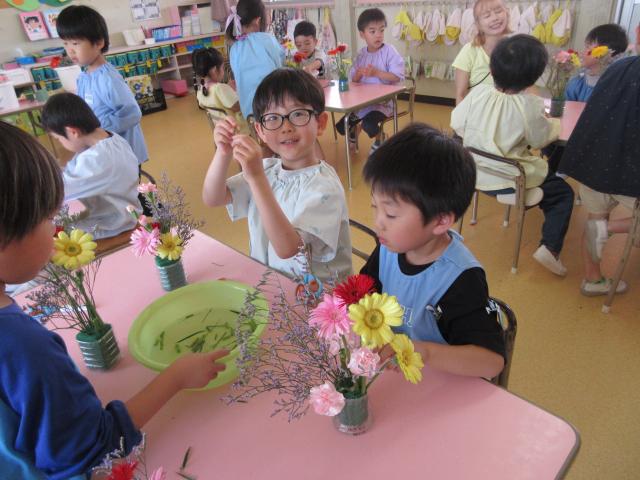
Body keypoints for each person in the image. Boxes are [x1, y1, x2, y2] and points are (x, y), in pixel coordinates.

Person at [0, 120, 228, 479]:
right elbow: (94, 451)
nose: (56, 229)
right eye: (47, 218)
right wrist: (176, 377)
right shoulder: (25, 349)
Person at [360, 123, 505, 378]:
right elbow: (362, 295)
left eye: (391, 214)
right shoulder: (388, 248)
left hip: (438, 381)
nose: (378, 222)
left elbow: (491, 362)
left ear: (440, 221)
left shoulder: (460, 278)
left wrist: (424, 352)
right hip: (395, 377)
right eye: (375, 207)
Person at [202, 68, 352, 282]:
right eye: (273, 118)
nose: (286, 127)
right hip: (272, 284)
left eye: (298, 114)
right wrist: (223, 152)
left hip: (316, 297)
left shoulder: (324, 187)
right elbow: (213, 197)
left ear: (320, 123)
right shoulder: (267, 169)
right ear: (260, 131)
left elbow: (288, 248)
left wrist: (256, 178)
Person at [451, 35, 574, 276]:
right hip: (509, 180)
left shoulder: (478, 93)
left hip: (473, 172)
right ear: (533, 79)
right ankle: (550, 248)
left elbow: (457, 122)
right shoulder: (529, 106)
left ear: (491, 69)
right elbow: (540, 139)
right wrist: (555, 125)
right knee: (563, 194)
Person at [559, 55, 640, 296]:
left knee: (596, 218)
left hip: (596, 160)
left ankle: (592, 279)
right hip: (632, 170)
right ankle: (611, 227)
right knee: (603, 225)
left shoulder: (620, 66)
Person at [56, 5, 149, 167]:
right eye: (65, 43)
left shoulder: (108, 78)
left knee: (128, 184)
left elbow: (132, 114)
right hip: (105, 152)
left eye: (75, 43)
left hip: (123, 154)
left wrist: (95, 129)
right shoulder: (83, 77)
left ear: (98, 42)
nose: (70, 51)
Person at [41, 92, 139, 240]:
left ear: (73, 132)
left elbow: (58, 190)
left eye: (58, 138)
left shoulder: (96, 159)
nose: (60, 143)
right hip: (118, 208)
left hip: (112, 224)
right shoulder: (112, 137)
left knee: (45, 226)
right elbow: (73, 175)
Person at [545, 24, 629, 173]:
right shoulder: (578, 81)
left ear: (606, 54)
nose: (583, 52)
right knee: (549, 141)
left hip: (595, 137)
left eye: (589, 47)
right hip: (571, 132)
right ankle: (557, 171)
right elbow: (567, 108)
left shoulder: (613, 84)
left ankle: (558, 172)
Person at [335, 8, 404, 154]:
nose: (378, 35)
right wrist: (358, 75)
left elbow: (397, 76)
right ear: (362, 34)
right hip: (363, 103)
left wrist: (377, 73)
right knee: (342, 126)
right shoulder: (361, 55)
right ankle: (354, 131)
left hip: (383, 104)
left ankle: (381, 138)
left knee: (369, 124)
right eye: (372, 31)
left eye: (381, 30)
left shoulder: (390, 51)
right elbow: (354, 80)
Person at [226, 0, 284, 120]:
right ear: (258, 20)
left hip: (249, 115)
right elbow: (281, 68)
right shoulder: (267, 39)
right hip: (273, 111)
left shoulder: (234, 48)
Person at [452, 0, 510, 105]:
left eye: (498, 11)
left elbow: (529, 89)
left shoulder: (517, 50)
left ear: (507, 13)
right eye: (487, 16)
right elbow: (460, 95)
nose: (495, 18)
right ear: (478, 24)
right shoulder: (469, 51)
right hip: (475, 113)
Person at [192, 47, 249, 134]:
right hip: (238, 129)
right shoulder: (220, 88)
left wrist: (228, 89)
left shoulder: (200, 91)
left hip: (221, 131)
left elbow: (215, 101)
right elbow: (238, 107)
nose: (223, 71)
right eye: (223, 68)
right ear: (215, 70)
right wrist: (237, 92)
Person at [566, 24, 629, 102]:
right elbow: (566, 106)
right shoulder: (578, 83)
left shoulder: (616, 86)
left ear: (604, 52)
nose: (583, 52)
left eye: (587, 47)